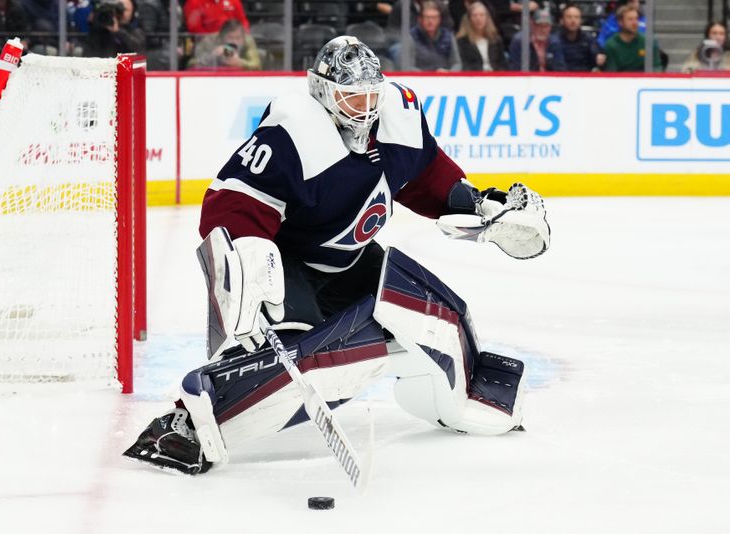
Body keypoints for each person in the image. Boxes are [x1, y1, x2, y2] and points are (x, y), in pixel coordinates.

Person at [122, 36, 550, 475]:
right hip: (291, 265)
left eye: (370, 94)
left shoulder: (399, 117)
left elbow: (428, 178)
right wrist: (249, 255)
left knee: (438, 313)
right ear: (324, 91)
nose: (363, 108)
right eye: (350, 96)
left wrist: (477, 204)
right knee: (319, 361)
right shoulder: (293, 132)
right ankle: (186, 422)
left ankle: (464, 400)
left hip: (349, 260)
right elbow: (231, 204)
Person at [407, 0, 462, 71]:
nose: (430, 21)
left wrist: (449, 73)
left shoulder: (448, 36)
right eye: (427, 17)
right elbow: (407, 66)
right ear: (420, 19)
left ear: (439, 19)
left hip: (444, 78)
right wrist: (428, 76)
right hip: (420, 79)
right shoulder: (411, 36)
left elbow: (457, 63)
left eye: (434, 17)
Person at [603, 5, 661, 72]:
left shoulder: (649, 42)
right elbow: (612, 74)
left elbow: (657, 68)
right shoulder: (611, 45)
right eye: (630, 19)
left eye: (636, 19)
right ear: (620, 22)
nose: (635, 23)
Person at [508, 7, 565, 71]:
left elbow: (560, 68)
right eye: (540, 25)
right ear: (533, 25)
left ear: (550, 27)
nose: (543, 30)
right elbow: (515, 68)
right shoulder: (519, 41)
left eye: (546, 26)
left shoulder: (555, 42)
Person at [190, 18, 261, 70]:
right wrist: (212, 56)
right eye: (230, 38)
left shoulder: (247, 40)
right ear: (222, 38)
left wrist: (240, 63)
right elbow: (191, 63)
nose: (234, 42)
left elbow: (257, 65)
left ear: (243, 38)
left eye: (238, 38)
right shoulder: (210, 40)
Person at [456, 0, 506, 71]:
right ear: (469, 19)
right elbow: (463, 65)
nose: (478, 19)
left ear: (487, 18)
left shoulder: (496, 39)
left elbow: (503, 63)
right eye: (475, 16)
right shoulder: (462, 41)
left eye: (482, 15)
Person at [557, 3, 603, 72]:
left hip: (585, 78)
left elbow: (597, 57)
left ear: (581, 20)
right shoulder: (555, 40)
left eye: (576, 17)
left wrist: (600, 58)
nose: (573, 21)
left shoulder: (588, 39)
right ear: (562, 20)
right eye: (569, 17)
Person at [183, 0, 249, 35]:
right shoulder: (194, 2)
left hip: (234, 41)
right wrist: (215, 38)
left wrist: (241, 35)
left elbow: (243, 22)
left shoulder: (234, 1)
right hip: (207, 45)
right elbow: (194, 29)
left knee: (250, 44)